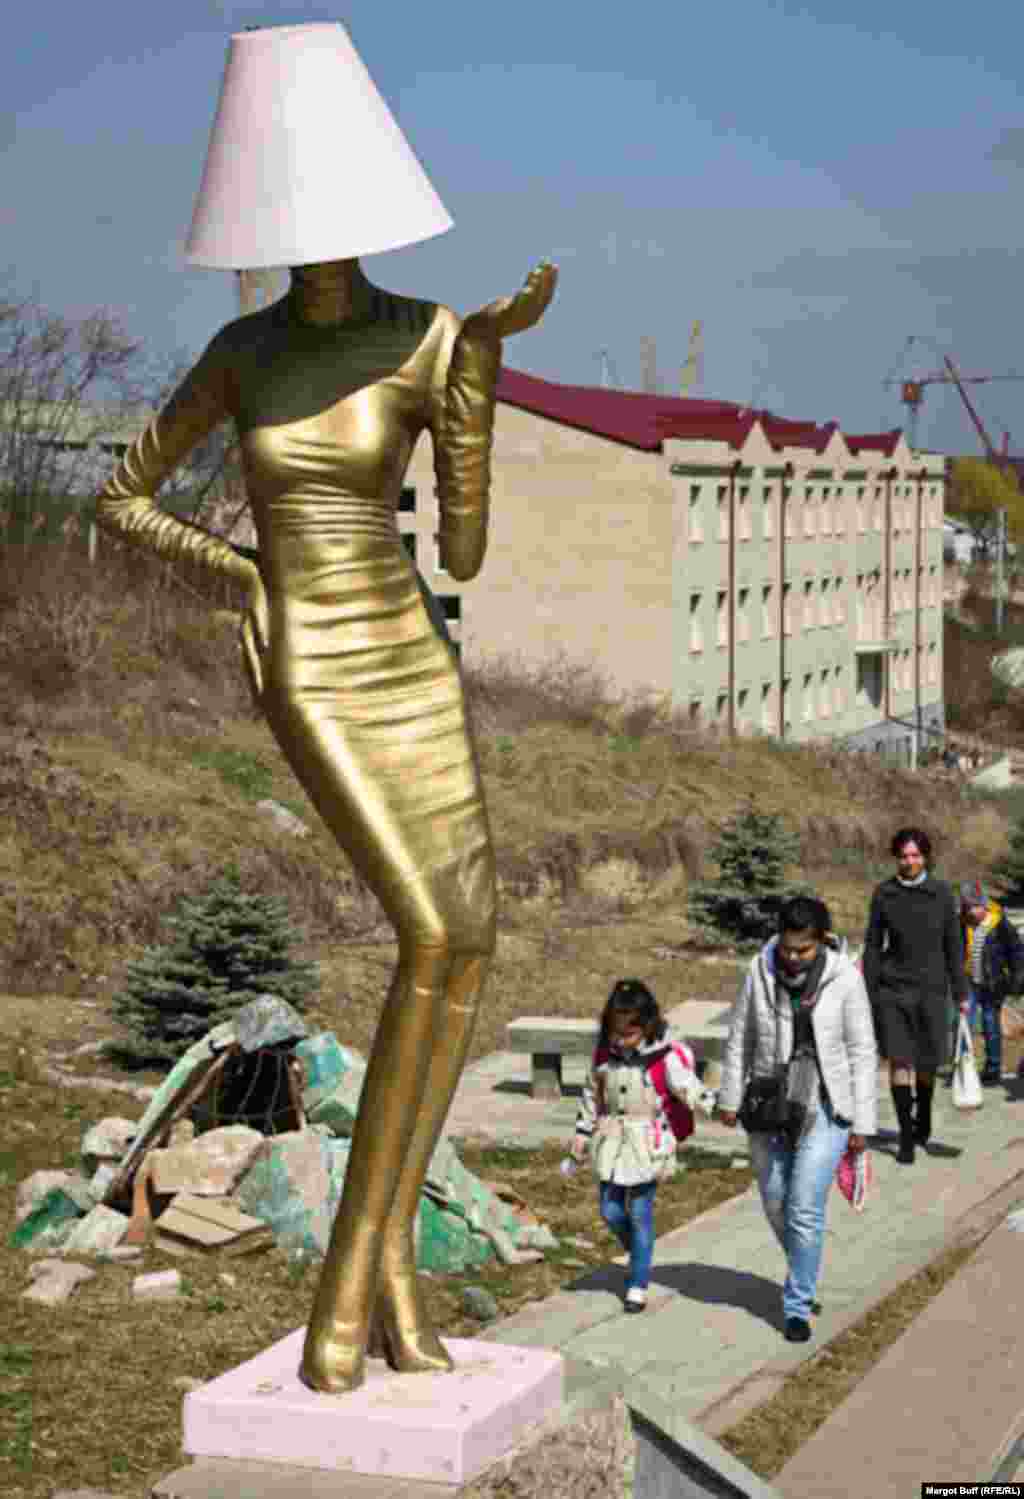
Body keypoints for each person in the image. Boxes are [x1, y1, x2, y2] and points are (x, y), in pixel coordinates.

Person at [95, 254, 557, 1394]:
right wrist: (244, 575)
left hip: (409, 647)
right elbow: (120, 494)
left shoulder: (430, 334)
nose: (321, 243)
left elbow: (462, 552)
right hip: (309, 657)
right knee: (422, 927)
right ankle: (355, 1265)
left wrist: (478, 375)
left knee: (468, 938)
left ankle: (387, 1252)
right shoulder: (244, 350)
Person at [717, 896, 877, 1344]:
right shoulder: (759, 970)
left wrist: (863, 1122)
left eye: (802, 950)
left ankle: (797, 1305)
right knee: (774, 1201)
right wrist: (729, 1097)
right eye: (787, 948)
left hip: (826, 1105)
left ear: (821, 942)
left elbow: (863, 1050)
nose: (792, 957)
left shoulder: (845, 976)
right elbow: (740, 1038)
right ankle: (803, 1267)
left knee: (804, 1207)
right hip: (770, 1104)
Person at [570, 979, 706, 1313]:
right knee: (609, 1209)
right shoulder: (603, 1056)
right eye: (615, 1033)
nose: (621, 1040)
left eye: (628, 1034)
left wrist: (719, 1105)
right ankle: (640, 1254)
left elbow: (688, 1087)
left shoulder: (663, 1058)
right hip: (611, 1138)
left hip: (648, 1141)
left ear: (646, 1027)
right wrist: (581, 1133)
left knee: (641, 1212)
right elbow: (592, 1094)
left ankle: (638, 1284)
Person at [862, 827, 965, 1163]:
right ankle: (906, 1135)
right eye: (904, 856)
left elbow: (953, 945)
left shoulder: (942, 893)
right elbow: (873, 946)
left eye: (915, 855)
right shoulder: (884, 894)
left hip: (932, 990)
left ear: (925, 857)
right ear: (896, 857)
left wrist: (960, 990)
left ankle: (924, 1116)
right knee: (900, 1060)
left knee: (926, 1061)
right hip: (894, 989)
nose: (909, 861)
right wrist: (871, 990)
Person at [958, 880, 1024, 1085]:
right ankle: (962, 1066)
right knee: (962, 1023)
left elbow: (1016, 951)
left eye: (976, 906)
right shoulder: (961, 922)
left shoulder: (999, 922)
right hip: (968, 982)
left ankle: (993, 1068)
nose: (972, 911)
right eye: (968, 906)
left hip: (993, 983)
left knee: (990, 1024)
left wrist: (1017, 977)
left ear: (984, 904)